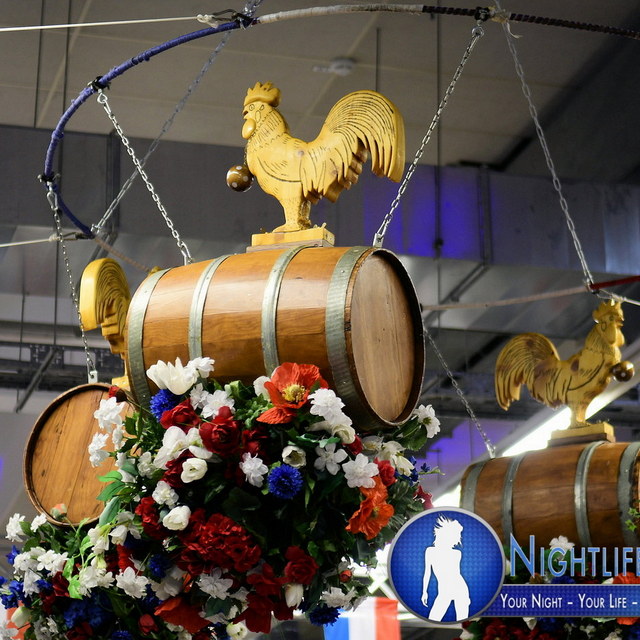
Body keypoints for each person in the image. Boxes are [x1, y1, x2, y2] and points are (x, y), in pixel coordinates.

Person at [421, 515, 470, 621]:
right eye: (457, 535)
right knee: (433, 618)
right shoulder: (430, 551)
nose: (458, 538)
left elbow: (456, 574)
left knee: (463, 622)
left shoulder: (457, 553)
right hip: (444, 591)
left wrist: (466, 597)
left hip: (460, 588)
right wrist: (424, 592)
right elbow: (427, 573)